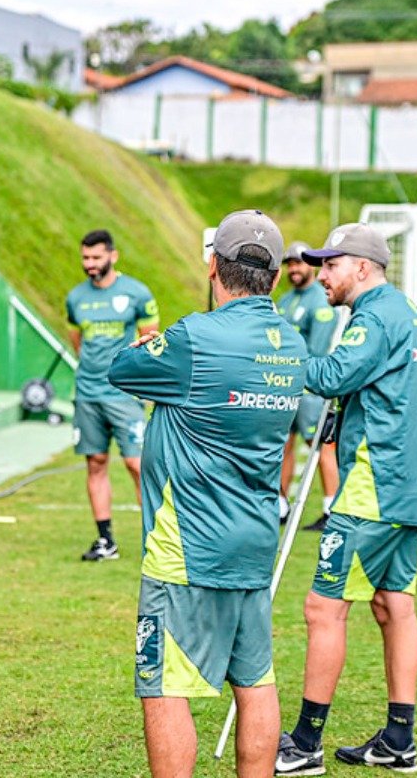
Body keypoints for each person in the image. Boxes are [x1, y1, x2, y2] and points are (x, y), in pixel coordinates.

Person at [109, 210, 307, 778]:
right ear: (271, 276)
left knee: (165, 687)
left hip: (187, 549)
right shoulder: (290, 344)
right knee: (256, 682)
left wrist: (157, 344)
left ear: (214, 264)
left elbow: (122, 370)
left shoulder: (193, 337)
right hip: (253, 543)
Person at [275, 224, 417, 776]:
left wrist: (277, 354)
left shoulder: (375, 317)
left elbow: (332, 375)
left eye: (331, 265)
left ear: (362, 268)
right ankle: (399, 739)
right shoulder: (410, 312)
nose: (322, 275)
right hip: (408, 485)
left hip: (374, 485)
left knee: (323, 608)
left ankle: (304, 743)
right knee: (394, 606)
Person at [66, 228, 159, 561]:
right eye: (85, 258)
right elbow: (78, 341)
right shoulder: (76, 298)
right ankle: (106, 541)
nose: (90, 264)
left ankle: (156, 539)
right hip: (88, 393)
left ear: (112, 256)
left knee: (138, 464)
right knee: (96, 463)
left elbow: (150, 341)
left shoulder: (136, 293)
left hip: (124, 395)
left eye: (96, 257)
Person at [276, 242, 340, 531]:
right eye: (289, 264)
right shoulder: (285, 300)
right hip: (284, 386)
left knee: (322, 447)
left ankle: (332, 510)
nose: (294, 269)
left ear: (310, 267)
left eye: (298, 264)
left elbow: (317, 349)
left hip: (310, 391)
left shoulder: (320, 300)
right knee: (283, 445)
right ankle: (280, 505)